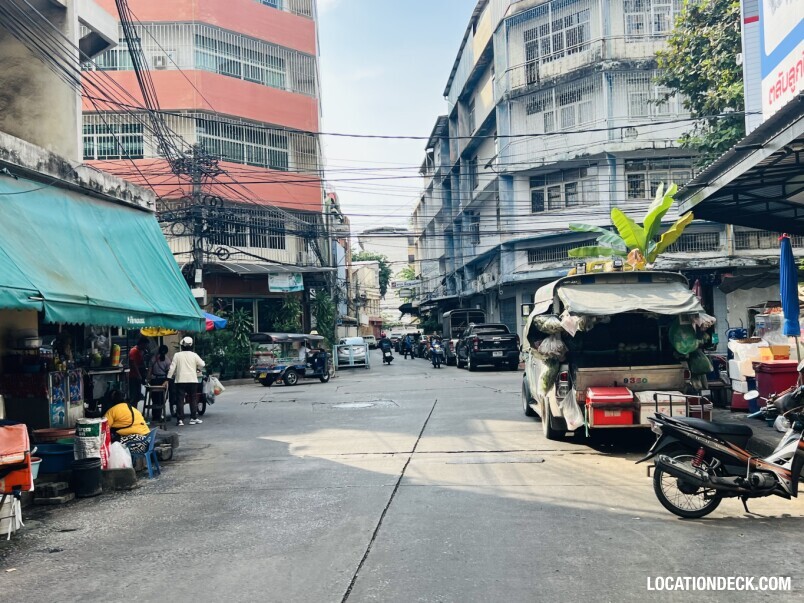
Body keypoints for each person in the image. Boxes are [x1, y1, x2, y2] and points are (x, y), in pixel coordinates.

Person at [167, 337, 206, 426]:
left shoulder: (177, 355)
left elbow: (172, 368)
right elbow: (202, 364)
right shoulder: (194, 355)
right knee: (193, 398)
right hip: (192, 380)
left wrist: (168, 378)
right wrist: (198, 369)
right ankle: (193, 418)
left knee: (180, 399)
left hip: (180, 380)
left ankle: (180, 420)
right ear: (191, 346)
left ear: (182, 346)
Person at [147, 345, 171, 422]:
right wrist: (167, 381)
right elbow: (168, 373)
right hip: (163, 381)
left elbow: (149, 371)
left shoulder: (153, 359)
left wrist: (148, 380)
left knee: (154, 398)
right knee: (162, 399)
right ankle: (160, 415)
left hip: (154, 380)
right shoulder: (167, 360)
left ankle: (155, 416)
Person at [128, 336, 149, 410]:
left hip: (137, 376)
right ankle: (132, 411)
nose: (146, 347)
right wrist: (139, 375)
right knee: (133, 396)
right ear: (142, 344)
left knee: (137, 396)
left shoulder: (140, 352)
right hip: (133, 376)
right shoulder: (134, 351)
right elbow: (133, 364)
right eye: (146, 345)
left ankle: (135, 411)